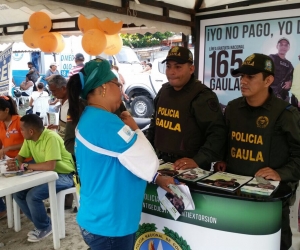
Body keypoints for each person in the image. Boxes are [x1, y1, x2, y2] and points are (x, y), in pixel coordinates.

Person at [67, 58, 159, 249]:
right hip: (110, 224)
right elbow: (149, 163)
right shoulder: (105, 122)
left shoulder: (90, 117)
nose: (122, 89)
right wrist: (135, 128)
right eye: (118, 84)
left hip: (98, 217)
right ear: (104, 88)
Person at [214, 53, 300, 250]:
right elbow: (225, 140)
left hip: (268, 203)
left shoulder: (285, 113)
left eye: (250, 77)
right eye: (241, 76)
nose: (243, 81)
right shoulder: (233, 108)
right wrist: (222, 159)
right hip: (234, 197)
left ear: (268, 80)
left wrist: (281, 173)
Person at [146, 46, 227, 189]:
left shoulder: (202, 96)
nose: (172, 72)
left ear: (191, 69)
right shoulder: (164, 91)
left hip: (190, 172)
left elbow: (217, 134)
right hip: (161, 166)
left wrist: (197, 160)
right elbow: (155, 125)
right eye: (169, 66)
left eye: (178, 67)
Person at [6, 114, 75, 242]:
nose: (20, 132)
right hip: (47, 175)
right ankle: (43, 223)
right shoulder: (30, 139)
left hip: (65, 175)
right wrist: (14, 163)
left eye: (22, 129)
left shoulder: (50, 137)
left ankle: (44, 226)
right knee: (18, 194)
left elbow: (50, 165)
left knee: (33, 195)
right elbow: (21, 157)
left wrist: (25, 165)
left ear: (31, 131)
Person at [0, 95, 24, 220]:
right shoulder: (0, 124)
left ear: (6, 110)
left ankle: (19, 207)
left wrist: (9, 148)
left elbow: (29, 142)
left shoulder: (20, 121)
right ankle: (2, 209)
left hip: (23, 159)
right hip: (7, 160)